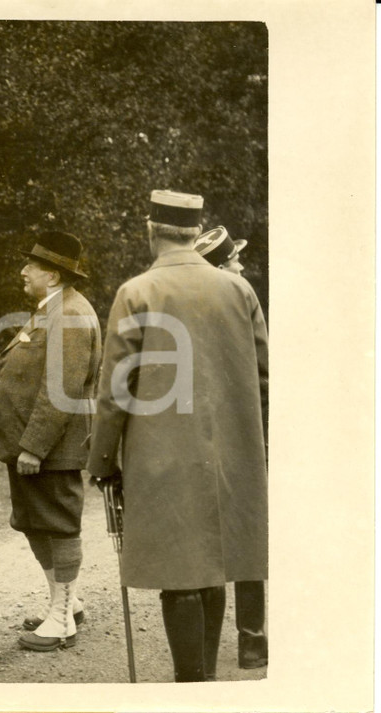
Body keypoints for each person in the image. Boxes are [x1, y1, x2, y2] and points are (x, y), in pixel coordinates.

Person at [87, 190, 268, 682]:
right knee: (212, 564)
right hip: (231, 454)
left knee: (180, 572)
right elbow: (265, 377)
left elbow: (115, 389)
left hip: (161, 457)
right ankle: (203, 684)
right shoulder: (239, 291)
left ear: (151, 231)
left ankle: (191, 686)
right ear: (196, 233)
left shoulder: (136, 292)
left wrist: (102, 460)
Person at [0, 231, 100, 652]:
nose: (23, 271)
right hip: (33, 447)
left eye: (30, 266)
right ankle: (65, 605)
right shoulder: (53, 308)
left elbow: (61, 388)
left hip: (50, 449)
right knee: (36, 524)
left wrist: (34, 446)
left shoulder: (70, 314)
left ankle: (62, 619)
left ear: (52, 276)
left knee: (58, 526)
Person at [195, 224, 268, 670]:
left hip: (198, 435)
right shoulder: (242, 294)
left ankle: (205, 651)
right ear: (223, 267)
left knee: (208, 535)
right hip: (242, 433)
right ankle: (251, 642)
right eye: (235, 259)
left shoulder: (186, 300)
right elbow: (263, 369)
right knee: (246, 532)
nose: (241, 266)